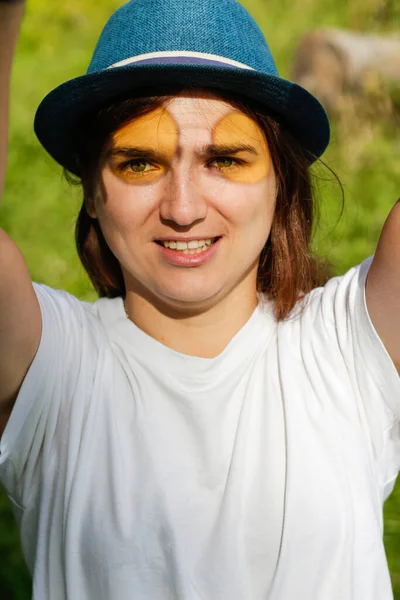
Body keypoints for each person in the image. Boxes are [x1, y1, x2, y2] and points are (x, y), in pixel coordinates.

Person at [0, 0, 399, 598]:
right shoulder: (55, 372)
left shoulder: (349, 351)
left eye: (225, 160)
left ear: (280, 181)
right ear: (92, 192)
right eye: (139, 163)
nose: (183, 209)